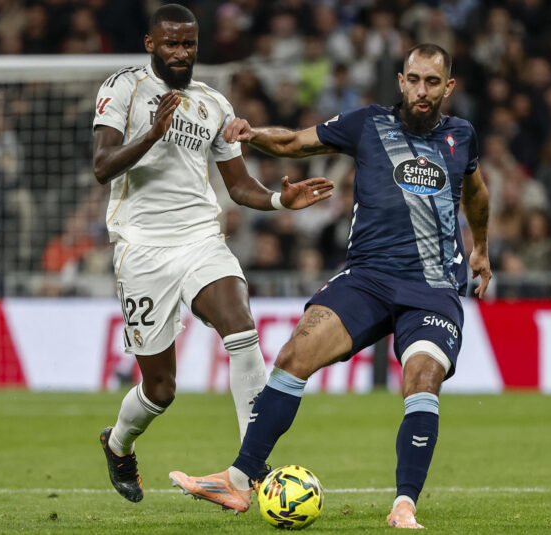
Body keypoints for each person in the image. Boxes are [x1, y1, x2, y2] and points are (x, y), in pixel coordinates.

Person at [168, 43, 492, 529]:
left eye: (432, 82)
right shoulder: (368, 124)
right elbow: (294, 142)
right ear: (401, 82)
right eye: (414, 80)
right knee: (293, 355)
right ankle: (237, 480)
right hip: (367, 278)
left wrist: (481, 248)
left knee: (422, 380)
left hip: (432, 287)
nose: (421, 91)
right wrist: (253, 133)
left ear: (448, 87)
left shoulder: (461, 135)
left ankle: (404, 504)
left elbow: (476, 192)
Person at [92, 4, 333, 503]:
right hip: (142, 249)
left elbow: (239, 186)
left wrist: (278, 200)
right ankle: (118, 444)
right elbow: (102, 166)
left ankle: (251, 466)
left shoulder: (213, 104)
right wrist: (152, 134)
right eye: (171, 43)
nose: (181, 52)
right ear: (151, 44)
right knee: (160, 390)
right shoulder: (123, 88)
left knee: (241, 328)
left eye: (189, 44)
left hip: (201, 238)